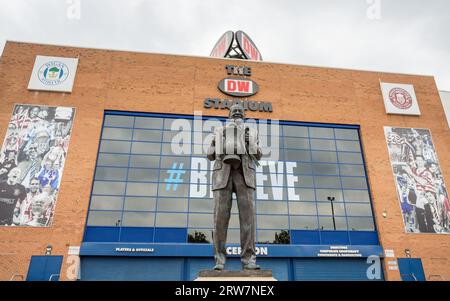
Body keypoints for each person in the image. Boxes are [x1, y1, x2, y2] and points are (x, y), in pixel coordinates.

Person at [207, 104, 262, 270]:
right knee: (219, 219)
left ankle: (249, 260)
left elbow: (258, 153)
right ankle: (219, 259)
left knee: (248, 219)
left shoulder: (251, 131)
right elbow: (209, 154)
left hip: (245, 175)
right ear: (229, 115)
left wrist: (249, 143)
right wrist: (219, 142)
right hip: (222, 174)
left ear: (244, 115)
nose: (237, 112)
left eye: (240, 111)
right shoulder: (219, 130)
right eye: (234, 111)